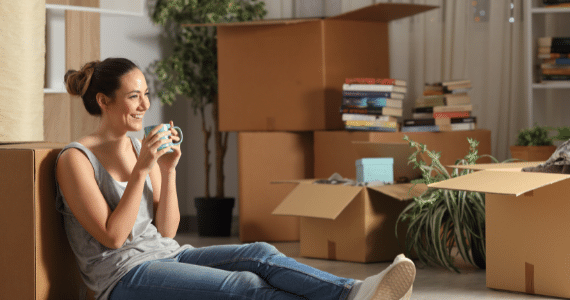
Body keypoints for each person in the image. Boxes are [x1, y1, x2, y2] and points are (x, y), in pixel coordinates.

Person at [55, 57, 417, 300]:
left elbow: (166, 232)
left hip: (167, 255)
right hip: (122, 277)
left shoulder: (137, 148)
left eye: (146, 94)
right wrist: (142, 171)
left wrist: (168, 169)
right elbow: (115, 238)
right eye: (133, 96)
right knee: (245, 286)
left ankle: (351, 292)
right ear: (103, 100)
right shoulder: (75, 159)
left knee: (259, 253)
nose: (145, 105)